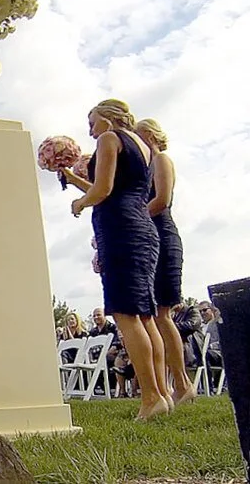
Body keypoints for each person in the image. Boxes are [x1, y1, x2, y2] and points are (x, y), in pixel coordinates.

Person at [63, 99, 168, 420]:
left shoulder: (109, 139)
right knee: (146, 317)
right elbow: (117, 187)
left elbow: (103, 190)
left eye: (92, 121)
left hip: (121, 230)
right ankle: (162, 394)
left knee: (125, 315)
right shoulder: (142, 147)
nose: (90, 129)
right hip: (142, 229)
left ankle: (150, 397)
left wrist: (80, 203)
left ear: (108, 118)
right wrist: (73, 177)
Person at [134, 118, 196, 405]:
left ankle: (183, 384)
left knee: (163, 313)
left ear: (148, 134)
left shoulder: (161, 160)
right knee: (153, 314)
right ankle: (167, 387)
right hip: (147, 237)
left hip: (163, 235)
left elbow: (161, 200)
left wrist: (131, 221)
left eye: (137, 135)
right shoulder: (141, 168)